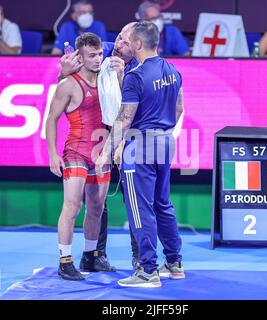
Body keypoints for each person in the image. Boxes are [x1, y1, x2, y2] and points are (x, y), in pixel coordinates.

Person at [96, 21, 185, 288]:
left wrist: (105, 154)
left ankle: (147, 271)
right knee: (163, 204)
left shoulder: (135, 76)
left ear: (137, 44)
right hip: (166, 143)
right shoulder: (173, 70)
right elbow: (179, 108)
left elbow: (123, 120)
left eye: (127, 39)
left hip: (141, 146)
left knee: (140, 209)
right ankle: (174, 263)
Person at [58, 22, 142, 271]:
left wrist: (122, 76)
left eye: (126, 42)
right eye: (118, 37)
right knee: (97, 202)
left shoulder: (141, 65)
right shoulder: (102, 51)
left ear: (137, 46)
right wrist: (63, 71)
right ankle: (96, 254)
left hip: (129, 134)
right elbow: (66, 82)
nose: (118, 44)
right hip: (97, 136)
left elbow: (135, 108)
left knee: (133, 198)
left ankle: (139, 258)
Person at [46, 32, 120, 281]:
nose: (98, 59)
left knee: (97, 207)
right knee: (72, 206)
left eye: (100, 54)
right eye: (91, 55)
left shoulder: (107, 79)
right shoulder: (68, 84)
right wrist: (53, 154)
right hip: (76, 152)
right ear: (79, 56)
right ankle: (64, 261)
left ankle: (90, 256)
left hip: (101, 153)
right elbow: (51, 119)